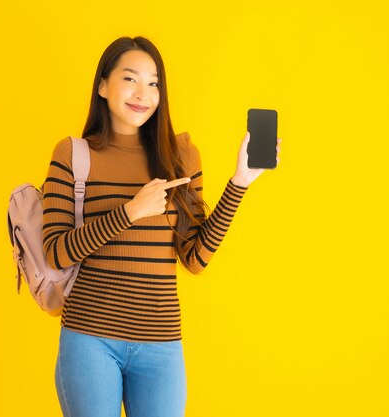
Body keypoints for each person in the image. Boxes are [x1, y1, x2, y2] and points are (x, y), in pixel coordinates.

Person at [41, 36, 281, 417]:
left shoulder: (182, 157)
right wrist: (129, 212)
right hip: (90, 337)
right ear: (103, 86)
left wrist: (239, 183)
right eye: (131, 79)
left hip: (161, 342)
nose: (143, 93)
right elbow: (55, 250)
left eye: (154, 83)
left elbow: (195, 259)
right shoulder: (73, 154)